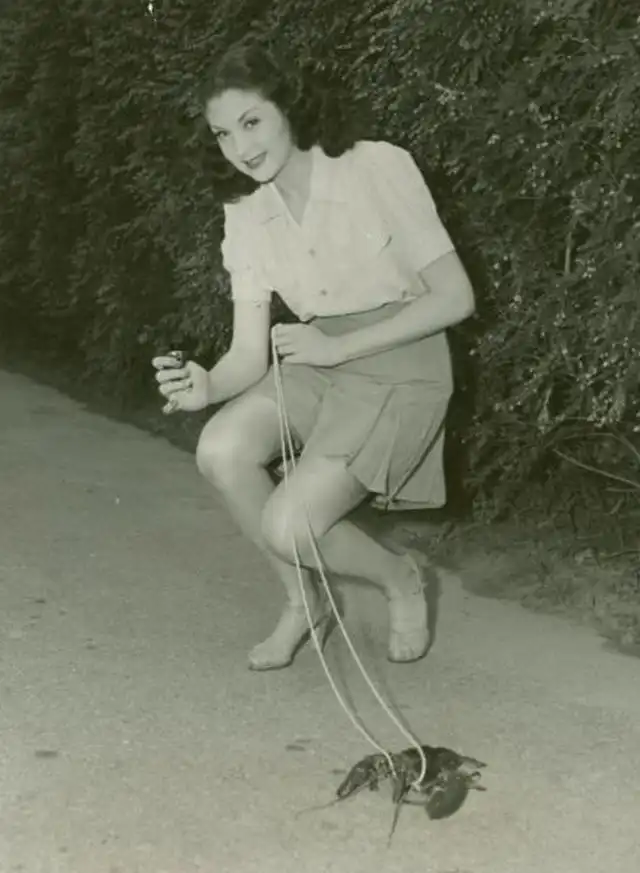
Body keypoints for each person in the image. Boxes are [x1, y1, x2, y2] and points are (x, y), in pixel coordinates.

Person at [152, 37, 475, 671]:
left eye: (251, 122)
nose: (240, 148)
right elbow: (249, 353)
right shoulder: (246, 210)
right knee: (219, 448)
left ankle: (400, 577)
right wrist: (207, 386)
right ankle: (305, 602)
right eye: (223, 134)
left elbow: (455, 297)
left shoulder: (373, 167)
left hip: (400, 360)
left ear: (288, 106)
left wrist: (338, 348)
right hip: (320, 359)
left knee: (291, 526)